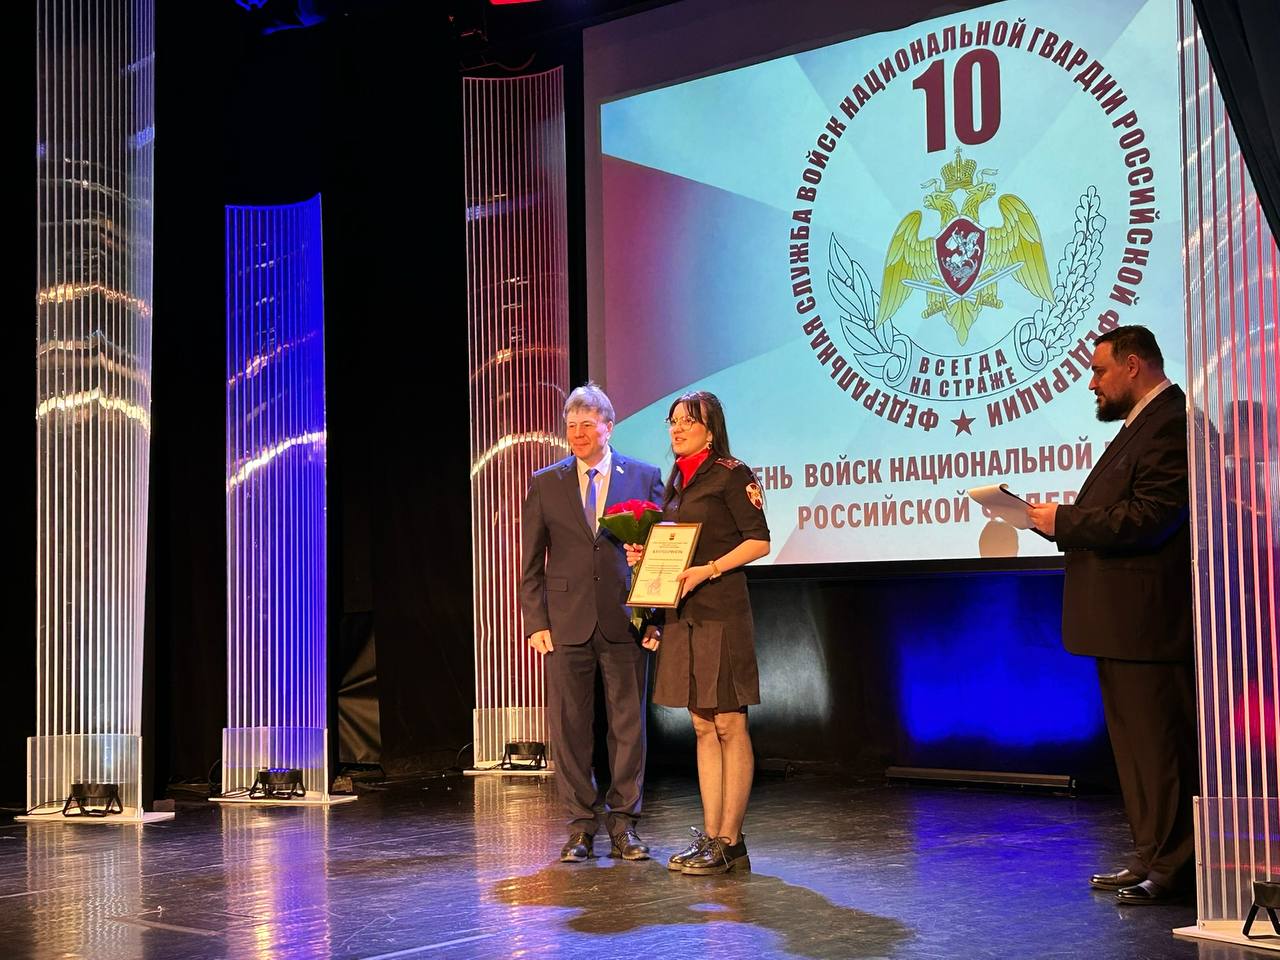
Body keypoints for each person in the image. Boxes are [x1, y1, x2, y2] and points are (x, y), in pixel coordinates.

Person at [1028, 325, 1196, 905]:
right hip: (1123, 625)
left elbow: (1152, 516)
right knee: (1137, 752)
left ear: (1133, 365)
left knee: (1161, 750)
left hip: (1149, 624)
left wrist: (1064, 522)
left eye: (1099, 371)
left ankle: (1175, 867)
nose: (1092, 384)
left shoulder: (1171, 422)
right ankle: (1152, 855)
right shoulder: (1141, 425)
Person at [519, 383, 664, 863]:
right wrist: (536, 621)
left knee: (628, 727)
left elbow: (661, 556)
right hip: (565, 624)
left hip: (625, 619)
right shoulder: (546, 482)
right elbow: (530, 563)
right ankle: (581, 826)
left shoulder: (643, 477)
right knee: (570, 728)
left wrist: (654, 618)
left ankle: (624, 825)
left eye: (587, 425)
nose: (578, 434)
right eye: (571, 426)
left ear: (609, 427)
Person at [637, 390, 770, 875]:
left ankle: (732, 841)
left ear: (710, 431)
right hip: (683, 616)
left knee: (729, 724)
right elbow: (674, 550)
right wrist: (646, 561)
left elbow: (759, 541)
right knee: (701, 726)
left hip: (721, 613)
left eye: (687, 421)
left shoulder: (732, 474)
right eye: (672, 421)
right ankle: (711, 836)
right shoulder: (675, 484)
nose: (676, 429)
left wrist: (709, 569)